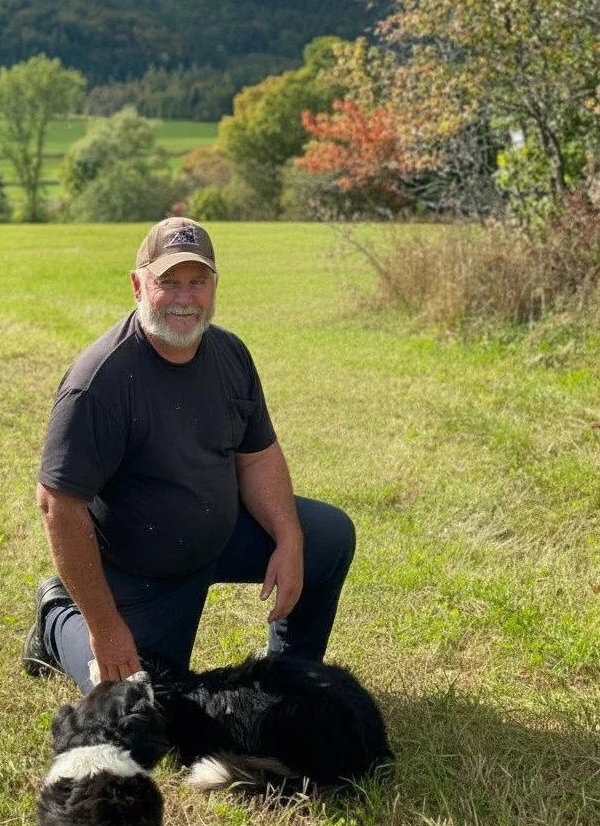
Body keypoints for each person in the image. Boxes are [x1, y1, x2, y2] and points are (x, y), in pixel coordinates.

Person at [24, 217, 355, 690]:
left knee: (327, 535)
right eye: (168, 282)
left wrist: (288, 538)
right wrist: (106, 629)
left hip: (221, 536)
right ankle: (57, 617)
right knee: (145, 699)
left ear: (214, 286)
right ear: (138, 285)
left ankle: (289, 679)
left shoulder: (230, 353)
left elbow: (257, 455)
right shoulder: (99, 382)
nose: (185, 297)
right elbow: (58, 505)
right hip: (144, 570)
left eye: (197, 281)